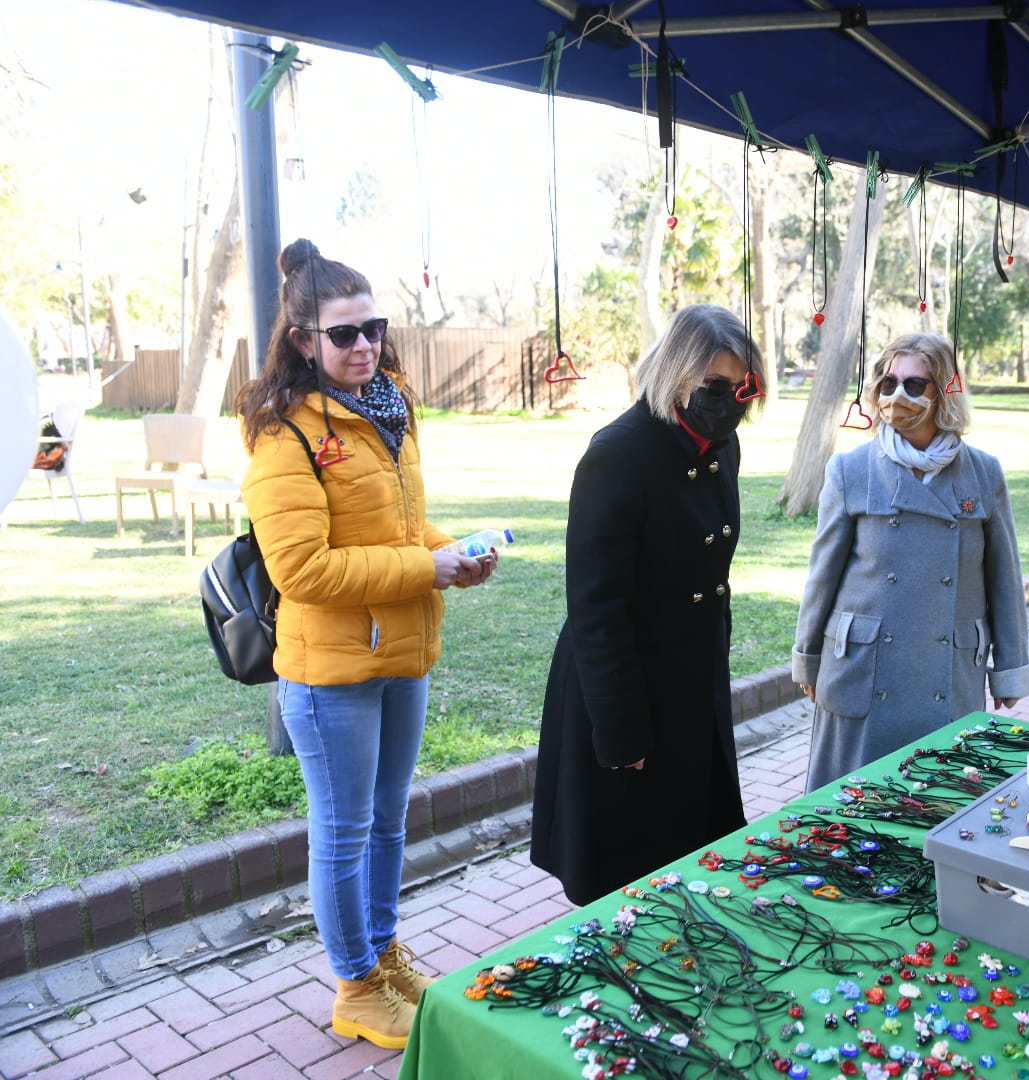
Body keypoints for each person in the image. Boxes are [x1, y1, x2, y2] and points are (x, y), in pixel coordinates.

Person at [237, 240, 497, 1050]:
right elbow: (301, 570)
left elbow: (403, 529)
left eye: (373, 328)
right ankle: (355, 986)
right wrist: (426, 567)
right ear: (302, 340)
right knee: (345, 832)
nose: (364, 346)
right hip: (331, 675)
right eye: (344, 334)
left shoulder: (389, 408)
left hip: (402, 655)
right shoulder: (284, 435)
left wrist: (455, 553)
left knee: (387, 823)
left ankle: (384, 959)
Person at [530, 304, 766, 904]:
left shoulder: (722, 447)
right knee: (626, 876)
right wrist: (621, 730)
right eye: (715, 386)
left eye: (743, 387)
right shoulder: (619, 453)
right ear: (677, 375)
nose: (730, 401)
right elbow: (596, 608)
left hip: (692, 681)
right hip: (626, 687)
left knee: (692, 853)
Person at [793, 332, 1029, 792]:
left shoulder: (983, 473)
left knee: (938, 803)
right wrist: (808, 659)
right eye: (889, 384)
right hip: (865, 667)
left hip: (947, 671)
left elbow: (1004, 577)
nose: (897, 396)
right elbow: (822, 575)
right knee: (855, 804)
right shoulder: (851, 470)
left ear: (944, 392)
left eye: (914, 385)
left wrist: (1011, 667)